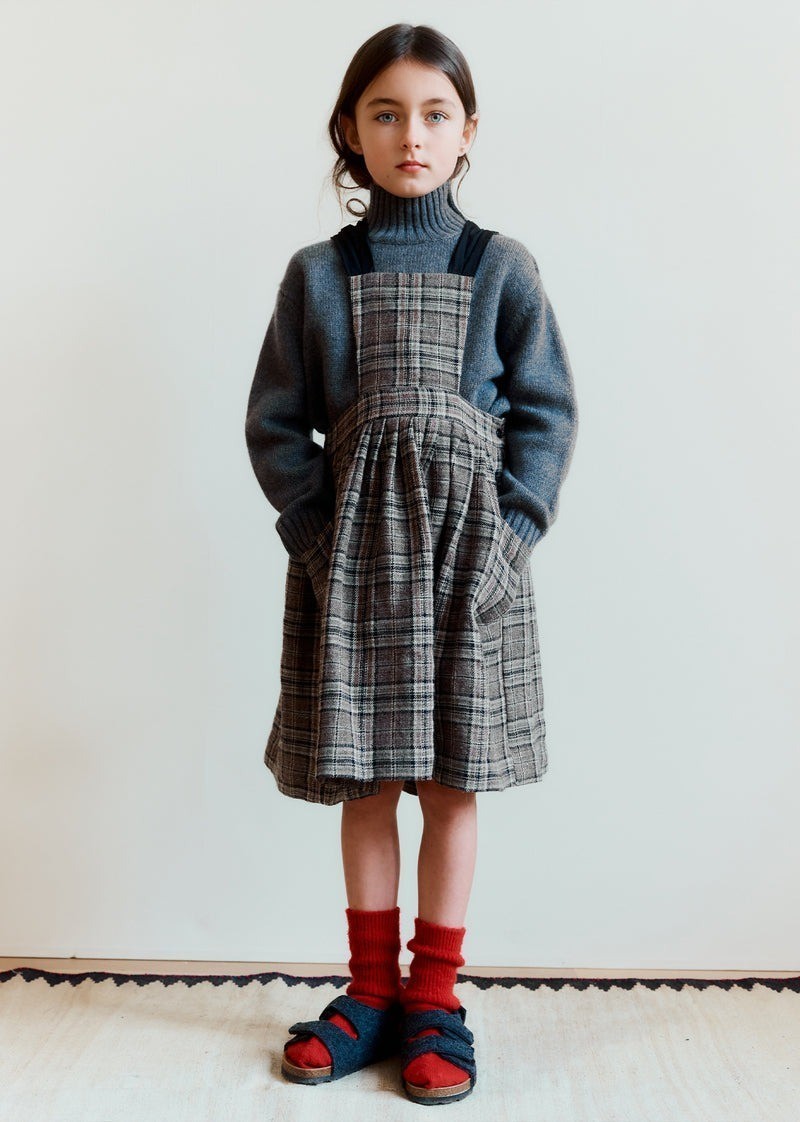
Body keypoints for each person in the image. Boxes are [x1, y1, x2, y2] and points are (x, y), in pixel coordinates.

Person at [244, 22, 578, 1106]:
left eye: (435, 114)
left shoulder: (499, 268)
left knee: (448, 782)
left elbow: (546, 415)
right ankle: (370, 992)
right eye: (385, 114)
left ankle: (434, 998)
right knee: (369, 780)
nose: (411, 135)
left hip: (469, 568)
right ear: (351, 130)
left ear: (468, 130)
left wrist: (510, 539)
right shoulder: (319, 275)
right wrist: (316, 539)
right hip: (354, 570)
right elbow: (275, 423)